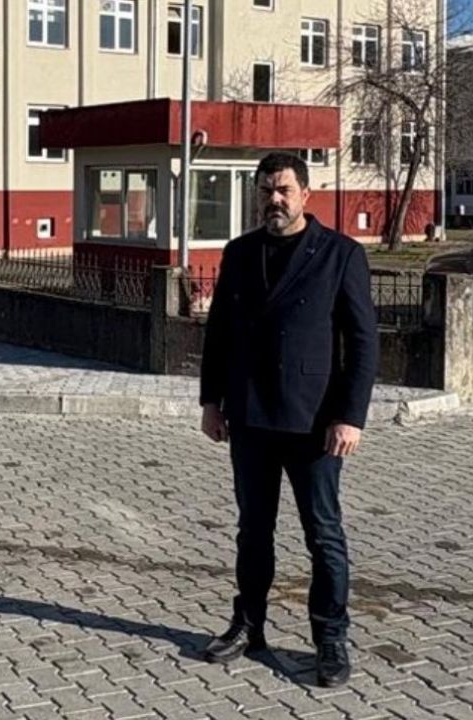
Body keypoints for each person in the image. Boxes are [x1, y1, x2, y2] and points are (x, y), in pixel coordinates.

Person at [199, 152, 378, 688]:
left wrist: (350, 416)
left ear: (305, 194)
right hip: (250, 417)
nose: (273, 200)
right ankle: (248, 624)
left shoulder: (340, 254)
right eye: (265, 190)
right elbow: (219, 333)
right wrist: (211, 401)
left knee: (323, 534)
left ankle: (331, 638)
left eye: (283, 190)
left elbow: (363, 342)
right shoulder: (240, 252)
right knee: (253, 530)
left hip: (314, 423)